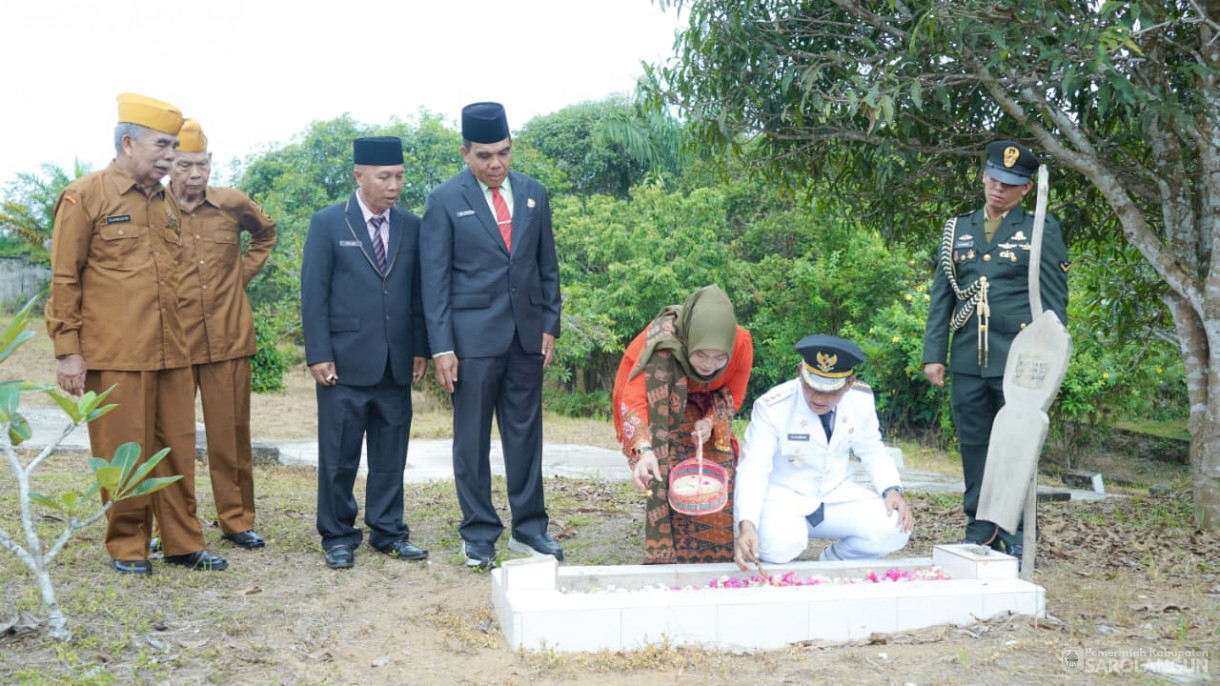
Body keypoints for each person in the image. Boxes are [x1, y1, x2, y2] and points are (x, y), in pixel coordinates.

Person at [45, 93, 227, 575]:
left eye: (174, 146)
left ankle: (183, 543)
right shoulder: (85, 196)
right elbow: (64, 277)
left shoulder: (165, 202)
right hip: (116, 354)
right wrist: (68, 352)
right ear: (128, 142)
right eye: (162, 145)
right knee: (124, 452)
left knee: (176, 450)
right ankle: (127, 545)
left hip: (172, 350)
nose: (171, 155)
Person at [420, 102, 563, 568]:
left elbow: (547, 268)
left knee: (525, 436)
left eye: (502, 153)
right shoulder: (444, 200)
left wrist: (549, 325)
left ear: (511, 147)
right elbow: (434, 281)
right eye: (484, 155)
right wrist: (441, 346)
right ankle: (478, 532)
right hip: (471, 343)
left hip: (526, 339)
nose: (495, 164)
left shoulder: (534, 194)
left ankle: (529, 529)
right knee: (471, 440)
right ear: (465, 153)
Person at [922, 140, 1069, 557]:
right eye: (994, 179)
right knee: (974, 442)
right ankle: (980, 525)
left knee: (1017, 444)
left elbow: (1055, 301)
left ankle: (1019, 530)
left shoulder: (1042, 228)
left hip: (1020, 360)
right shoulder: (958, 229)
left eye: (1010, 184)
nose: (999, 189)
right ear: (984, 176)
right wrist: (935, 353)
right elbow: (942, 297)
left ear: (1025, 189)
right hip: (969, 355)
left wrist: (1050, 357)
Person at [301, 136, 430, 570]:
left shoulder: (412, 225)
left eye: (399, 176)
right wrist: (318, 353)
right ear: (359, 176)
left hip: (397, 361)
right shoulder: (328, 223)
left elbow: (418, 294)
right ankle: (337, 534)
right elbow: (314, 293)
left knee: (391, 455)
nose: (394, 185)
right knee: (339, 456)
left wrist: (421, 348)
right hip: (343, 360)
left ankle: (389, 531)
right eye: (384, 177)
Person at [169, 120, 277, 550]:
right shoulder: (153, 206)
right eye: (184, 166)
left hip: (229, 338)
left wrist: (240, 276)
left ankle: (237, 521)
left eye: (201, 164)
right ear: (168, 165)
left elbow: (265, 234)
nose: (195, 174)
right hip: (173, 343)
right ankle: (174, 526)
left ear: (210, 161)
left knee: (230, 435)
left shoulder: (233, 203)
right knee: (172, 440)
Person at [733, 335, 913, 569]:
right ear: (800, 372)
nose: (818, 397)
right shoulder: (772, 406)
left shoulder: (861, 400)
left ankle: (835, 560)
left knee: (896, 528)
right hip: (784, 497)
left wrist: (892, 490)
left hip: (835, 494)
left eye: (830, 391)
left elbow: (872, 450)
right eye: (811, 386)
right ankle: (782, 535)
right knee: (778, 546)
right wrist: (747, 524)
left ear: (849, 384)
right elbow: (753, 469)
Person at [612, 285, 754, 564]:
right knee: (666, 464)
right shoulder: (656, 343)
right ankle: (669, 547)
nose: (709, 365)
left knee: (717, 466)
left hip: (707, 405)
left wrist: (711, 421)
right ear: (688, 340)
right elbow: (634, 398)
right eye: (701, 354)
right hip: (659, 407)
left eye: (719, 357)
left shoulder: (740, 343)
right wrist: (644, 450)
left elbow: (735, 392)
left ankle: (711, 551)